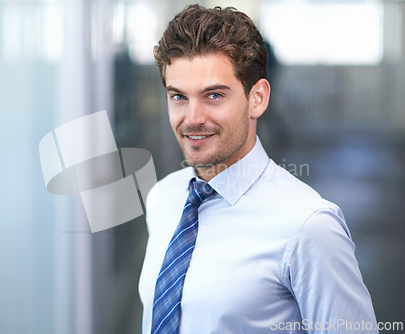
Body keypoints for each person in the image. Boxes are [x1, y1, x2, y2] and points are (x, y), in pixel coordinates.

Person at [138, 4, 378, 334]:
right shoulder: (162, 198)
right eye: (178, 97)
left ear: (257, 98)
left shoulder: (308, 227)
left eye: (213, 95)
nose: (192, 118)